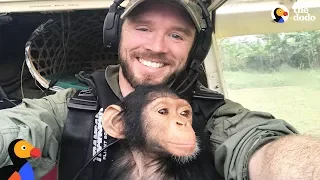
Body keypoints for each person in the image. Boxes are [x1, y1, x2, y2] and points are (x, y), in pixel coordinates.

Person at [1, 0, 320, 179]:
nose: (156, 46)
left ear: (196, 48)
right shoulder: (71, 108)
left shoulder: (214, 117)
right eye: (143, 28)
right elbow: (19, 131)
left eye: (177, 35)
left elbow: (263, 146)